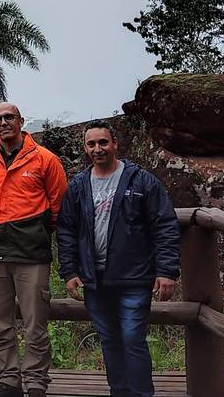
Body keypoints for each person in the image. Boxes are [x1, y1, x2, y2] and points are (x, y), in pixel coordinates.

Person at [56, 122, 181, 397]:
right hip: (94, 279)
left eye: (103, 142)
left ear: (115, 144)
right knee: (109, 340)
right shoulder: (78, 186)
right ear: (86, 148)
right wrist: (69, 271)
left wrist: (167, 271)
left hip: (134, 276)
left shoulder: (141, 181)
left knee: (132, 339)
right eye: (91, 144)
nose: (97, 149)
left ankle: (140, 393)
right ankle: (120, 392)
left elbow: (165, 224)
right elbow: (66, 229)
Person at [0, 102, 67, 397]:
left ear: (21, 121)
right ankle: (9, 380)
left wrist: (35, 231)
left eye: (8, 117)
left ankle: (36, 381)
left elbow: (58, 207)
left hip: (31, 254)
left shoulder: (45, 159)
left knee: (34, 323)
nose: (3, 123)